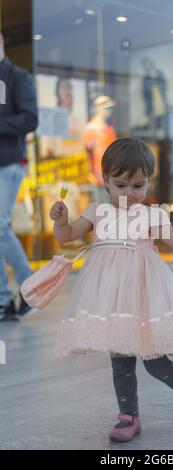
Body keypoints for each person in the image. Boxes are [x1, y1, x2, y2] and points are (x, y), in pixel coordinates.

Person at [50, 138, 173, 443]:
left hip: (145, 298)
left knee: (155, 361)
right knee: (119, 359)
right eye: (121, 185)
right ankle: (128, 416)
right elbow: (67, 236)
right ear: (105, 181)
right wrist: (61, 221)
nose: (130, 194)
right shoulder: (97, 212)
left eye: (138, 185)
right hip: (113, 299)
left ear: (149, 181)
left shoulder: (152, 216)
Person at [0, 32, 39, 321]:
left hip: (10, 163)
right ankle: (3, 299)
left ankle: (30, 287)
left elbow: (30, 118)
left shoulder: (18, 77)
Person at [82, 95, 117, 202]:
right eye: (106, 107)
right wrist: (90, 174)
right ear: (98, 108)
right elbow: (87, 154)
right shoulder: (90, 129)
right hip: (97, 179)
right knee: (100, 208)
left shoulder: (110, 130)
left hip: (112, 177)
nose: (109, 110)